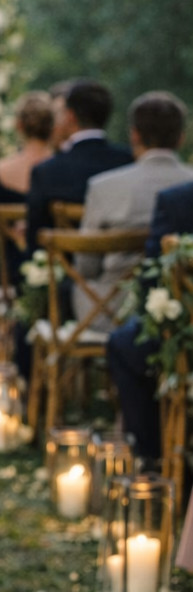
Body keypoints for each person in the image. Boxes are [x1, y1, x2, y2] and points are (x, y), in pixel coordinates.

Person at [73, 92, 193, 326]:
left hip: (109, 312)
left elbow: (86, 266)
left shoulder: (103, 187)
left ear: (135, 134)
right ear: (181, 138)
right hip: (185, 312)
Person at [108, 176, 193, 460]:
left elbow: (151, 283)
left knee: (122, 345)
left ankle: (154, 457)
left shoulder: (178, 201)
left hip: (188, 345)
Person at [26, 79, 132, 252]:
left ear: (70, 116)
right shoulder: (128, 161)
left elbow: (35, 241)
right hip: (120, 270)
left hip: (66, 271)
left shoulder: (46, 172)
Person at [0, 91, 53, 286]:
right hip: (50, 257)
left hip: (4, 267)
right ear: (52, 126)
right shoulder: (60, 169)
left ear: (19, 125)